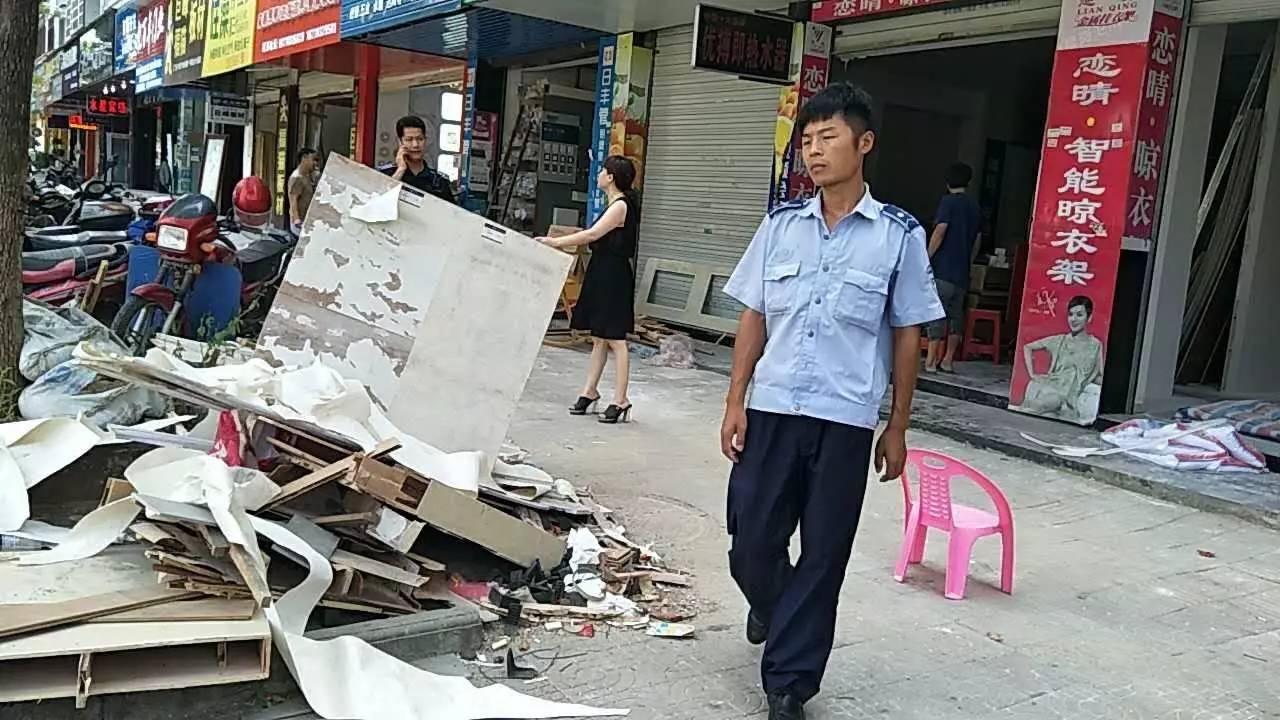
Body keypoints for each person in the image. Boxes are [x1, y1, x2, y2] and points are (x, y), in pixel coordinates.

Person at [719, 83, 944, 720]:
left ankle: (789, 684)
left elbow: (907, 337)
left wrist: (897, 425)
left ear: (863, 144)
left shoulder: (898, 236)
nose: (813, 152)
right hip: (774, 409)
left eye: (828, 138)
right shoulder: (781, 227)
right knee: (750, 542)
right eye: (807, 141)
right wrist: (736, 398)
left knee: (824, 553)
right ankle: (771, 604)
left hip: (845, 421)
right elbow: (755, 317)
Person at [534, 156, 640, 425]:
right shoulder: (613, 205)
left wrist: (554, 242)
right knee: (599, 337)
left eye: (603, 171)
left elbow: (591, 235)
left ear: (612, 177)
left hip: (614, 274)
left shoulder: (620, 206)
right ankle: (590, 390)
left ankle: (621, 399)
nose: (599, 175)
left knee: (616, 338)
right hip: (601, 270)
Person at [924, 162, 982, 373]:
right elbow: (977, 240)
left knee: (937, 314)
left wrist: (927, 256)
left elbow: (940, 230)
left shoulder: (948, 203)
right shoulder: (974, 207)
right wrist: (969, 260)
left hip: (943, 270)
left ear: (947, 182)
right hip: (962, 274)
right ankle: (947, 360)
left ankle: (930, 361)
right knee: (956, 317)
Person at [1013, 295, 1104, 424]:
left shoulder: (1095, 345)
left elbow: (1099, 374)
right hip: (1054, 389)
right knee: (1034, 411)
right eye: (1071, 314)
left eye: (1079, 315)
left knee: (1044, 415)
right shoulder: (1060, 340)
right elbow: (1028, 347)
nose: (1074, 319)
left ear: (1089, 318)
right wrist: (1032, 374)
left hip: (1070, 396)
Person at [380, 115, 456, 205]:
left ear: (425, 140)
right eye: (409, 140)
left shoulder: (439, 181)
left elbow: (451, 214)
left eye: (420, 139)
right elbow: (379, 203)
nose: (415, 144)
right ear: (400, 142)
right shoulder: (385, 174)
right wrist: (400, 170)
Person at [288, 148, 318, 236]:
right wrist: (297, 220)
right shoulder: (297, 178)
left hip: (305, 221)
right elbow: (293, 200)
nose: (315, 163)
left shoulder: (307, 176)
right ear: (304, 158)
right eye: (313, 159)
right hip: (300, 224)